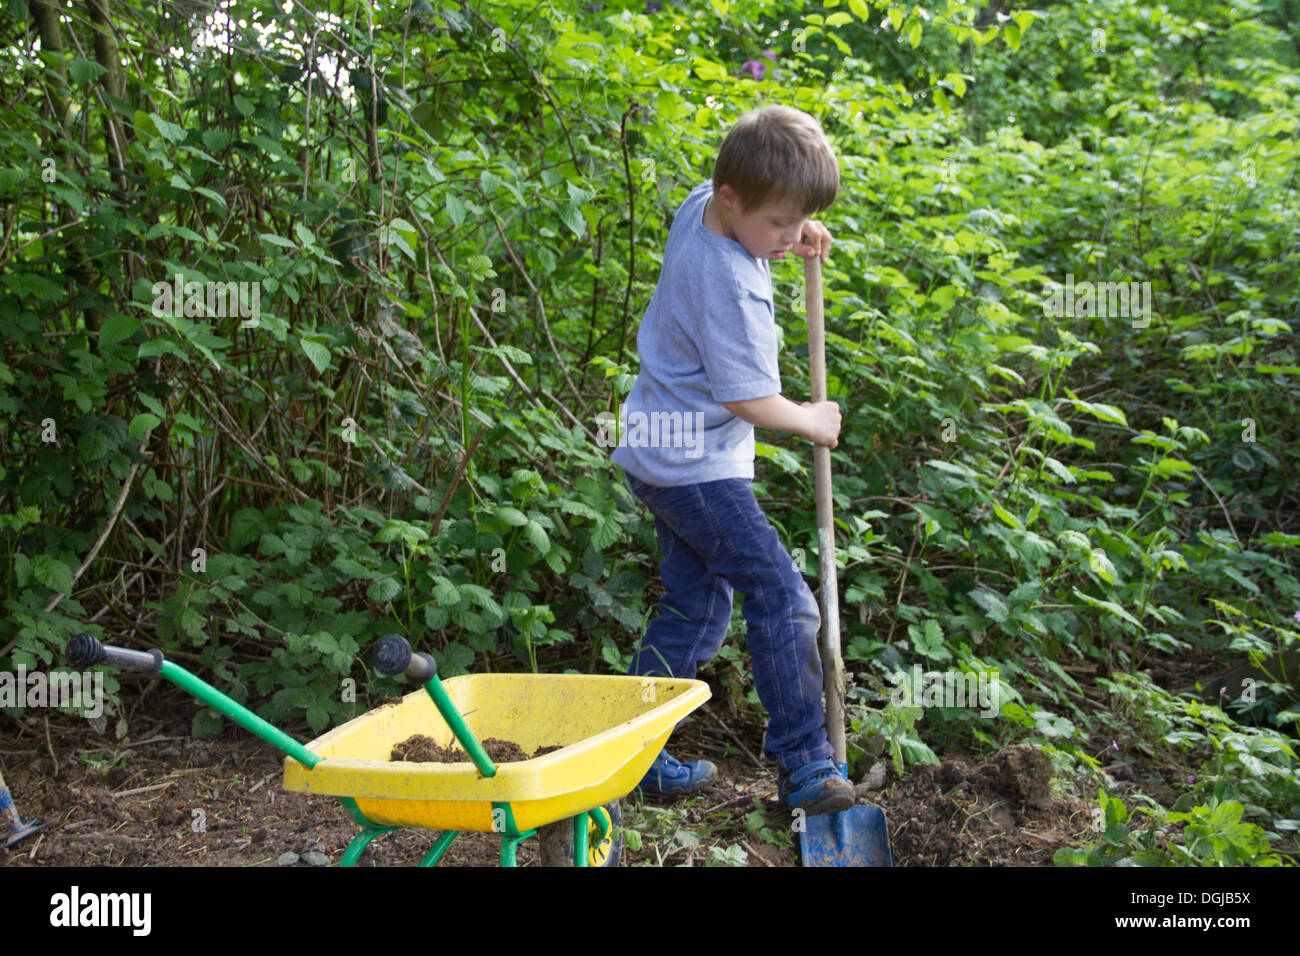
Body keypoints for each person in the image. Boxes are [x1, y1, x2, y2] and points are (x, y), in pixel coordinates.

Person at [610, 105, 853, 815]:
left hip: (657, 454)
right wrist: (811, 420)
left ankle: (631, 755)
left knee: (695, 607)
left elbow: (753, 205)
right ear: (732, 198)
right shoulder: (732, 285)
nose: (786, 239)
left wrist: (792, 224)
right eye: (779, 224)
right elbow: (751, 399)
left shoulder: (704, 207)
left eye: (796, 221)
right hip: (695, 471)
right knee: (782, 598)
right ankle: (805, 762)